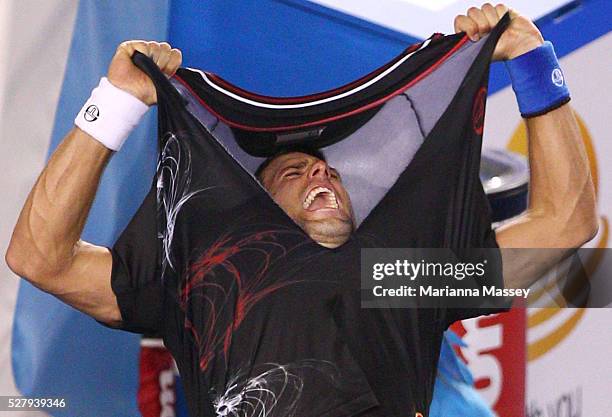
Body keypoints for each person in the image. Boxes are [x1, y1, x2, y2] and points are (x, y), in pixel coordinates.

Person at [6, 4, 597, 416]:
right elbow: (39, 258)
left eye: (331, 172)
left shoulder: (396, 276)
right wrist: (113, 102)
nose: (321, 171)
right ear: (256, 212)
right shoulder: (197, 277)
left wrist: (532, 58)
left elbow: (567, 223)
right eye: (295, 171)